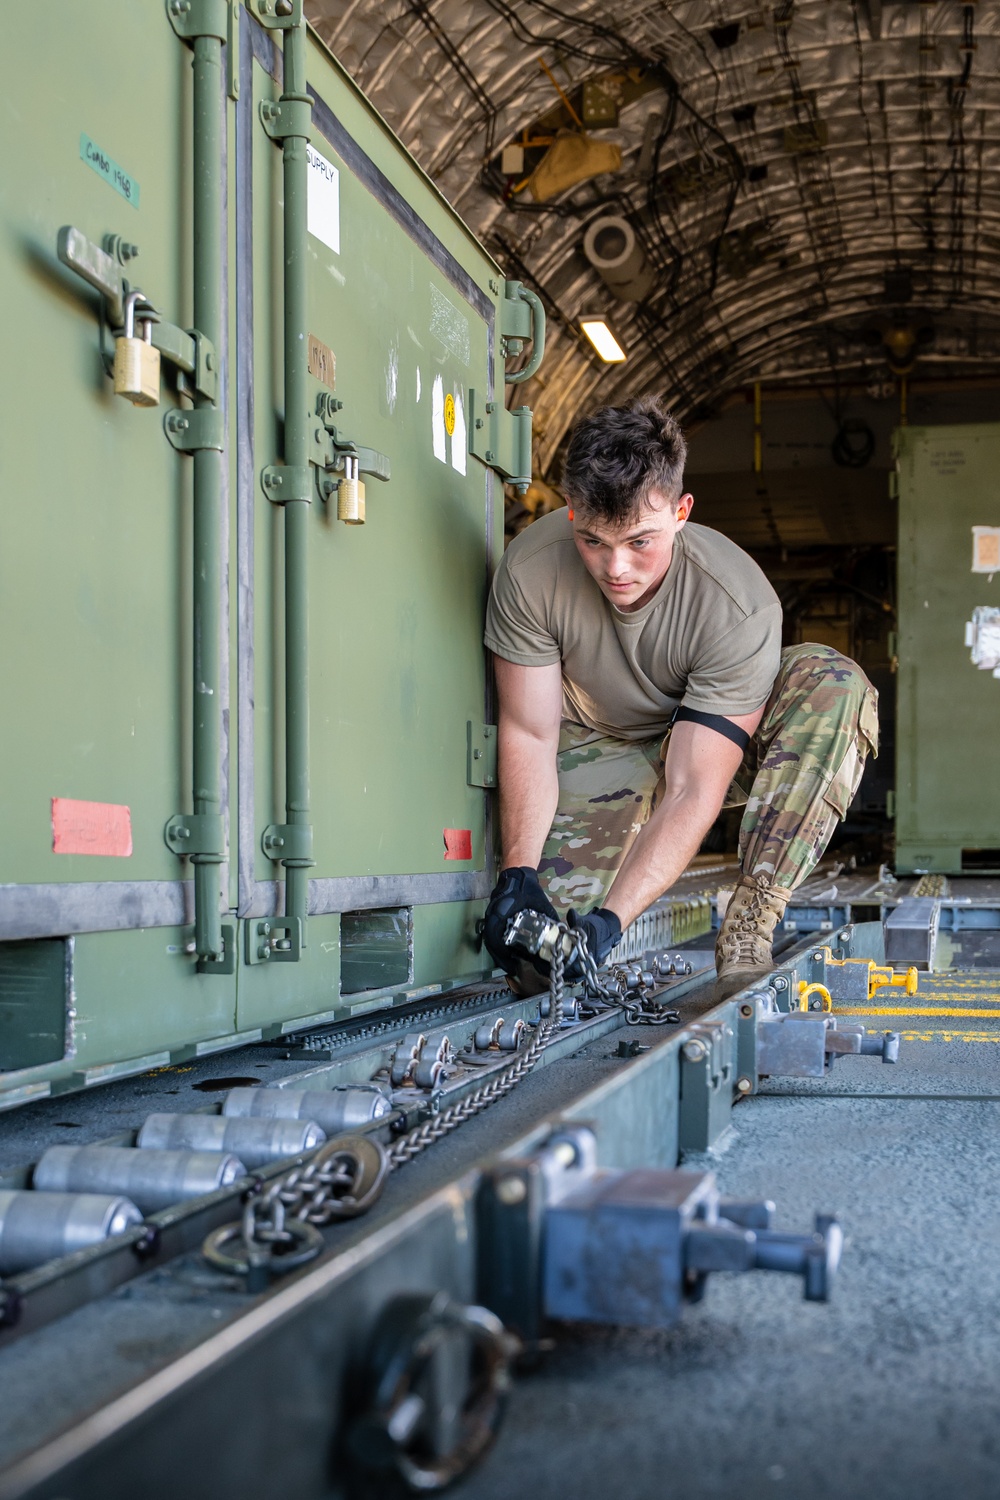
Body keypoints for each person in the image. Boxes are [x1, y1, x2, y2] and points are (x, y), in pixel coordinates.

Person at [480, 394, 879, 1000]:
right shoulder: (530, 571)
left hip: (700, 743)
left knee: (833, 684)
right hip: (591, 739)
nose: (615, 567)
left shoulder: (736, 602)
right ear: (570, 513)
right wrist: (518, 873)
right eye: (592, 541)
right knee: (542, 969)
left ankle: (752, 917)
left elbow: (694, 786)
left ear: (682, 511)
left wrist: (611, 923)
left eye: (640, 541)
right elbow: (531, 735)